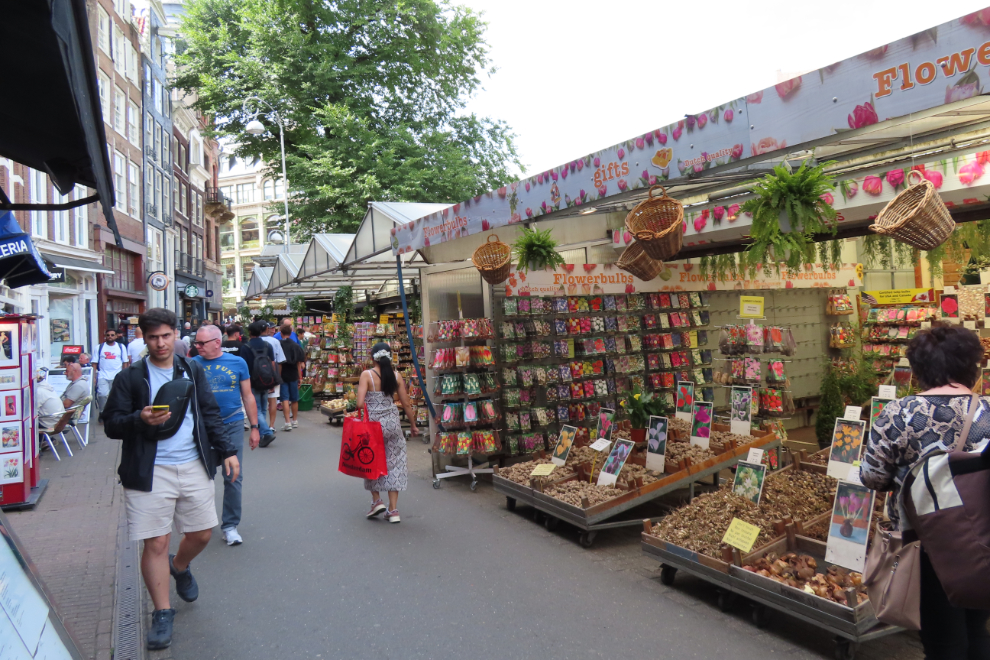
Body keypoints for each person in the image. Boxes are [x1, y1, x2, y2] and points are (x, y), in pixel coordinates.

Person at [103, 308, 239, 651]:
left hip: (193, 463)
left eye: (166, 336)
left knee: (202, 532)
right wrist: (139, 418)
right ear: (144, 339)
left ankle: (179, 567)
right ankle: (162, 612)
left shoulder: (191, 368)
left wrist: (227, 450)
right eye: (153, 337)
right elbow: (111, 424)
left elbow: (208, 411)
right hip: (149, 470)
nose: (160, 343)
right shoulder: (130, 378)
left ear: (175, 335)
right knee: (156, 543)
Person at [862, 325, 990, 658]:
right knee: (978, 628)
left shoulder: (897, 414)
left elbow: (872, 477)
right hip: (982, 538)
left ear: (917, 370)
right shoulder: (988, 412)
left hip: (922, 541)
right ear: (972, 367)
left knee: (942, 639)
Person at [192, 325, 260, 546]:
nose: (197, 347)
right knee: (204, 477)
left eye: (202, 343)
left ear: (217, 342)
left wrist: (255, 426)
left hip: (231, 423)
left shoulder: (237, 363)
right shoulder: (192, 364)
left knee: (233, 476)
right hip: (202, 428)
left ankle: (230, 526)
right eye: (196, 343)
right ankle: (202, 523)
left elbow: (248, 396)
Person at [357, 342, 419, 523]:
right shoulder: (396, 375)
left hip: (373, 427)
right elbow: (406, 403)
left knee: (369, 460)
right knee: (395, 463)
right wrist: (413, 425)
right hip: (392, 424)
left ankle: (376, 500)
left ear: (372, 357)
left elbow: (360, 404)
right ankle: (393, 510)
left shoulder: (366, 375)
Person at [246, 320, 277, 447]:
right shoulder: (267, 346)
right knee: (263, 408)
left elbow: (245, 367)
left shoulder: (246, 347)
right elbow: (272, 364)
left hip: (253, 381)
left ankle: (266, 432)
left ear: (249, 332)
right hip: (267, 379)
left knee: (256, 409)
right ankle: (263, 434)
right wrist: (272, 381)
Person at [93, 329, 129, 420]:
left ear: (116, 336)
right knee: (102, 394)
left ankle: (114, 413)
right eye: (108, 335)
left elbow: (125, 362)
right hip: (103, 375)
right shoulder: (99, 347)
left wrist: (124, 375)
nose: (110, 337)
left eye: (112, 335)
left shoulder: (121, 347)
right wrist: (94, 377)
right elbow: (94, 363)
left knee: (116, 396)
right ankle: (102, 412)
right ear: (105, 336)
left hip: (117, 375)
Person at [278, 323, 305, 431]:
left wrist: (278, 376)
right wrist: (300, 377)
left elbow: (278, 363)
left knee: (284, 399)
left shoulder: (278, 344)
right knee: (294, 399)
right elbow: (299, 364)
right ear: (291, 333)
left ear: (281, 333)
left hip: (283, 374)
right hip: (294, 374)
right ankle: (295, 420)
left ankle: (287, 422)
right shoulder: (296, 345)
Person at [261, 322, 285, 426]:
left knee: (260, 402)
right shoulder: (275, 341)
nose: (273, 330)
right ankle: (271, 425)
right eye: (271, 328)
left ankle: (262, 425)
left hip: (258, 375)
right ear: (267, 329)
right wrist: (277, 376)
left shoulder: (255, 341)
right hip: (272, 373)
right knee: (272, 401)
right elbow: (280, 361)